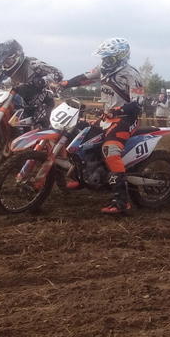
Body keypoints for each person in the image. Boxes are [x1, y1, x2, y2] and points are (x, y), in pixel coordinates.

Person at [60, 37, 143, 215]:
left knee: (110, 150)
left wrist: (118, 110)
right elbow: (84, 78)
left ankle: (122, 201)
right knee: (82, 142)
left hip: (127, 119)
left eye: (108, 58)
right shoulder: (103, 69)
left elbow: (137, 105)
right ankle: (84, 179)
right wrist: (65, 84)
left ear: (120, 57)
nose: (105, 61)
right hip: (107, 117)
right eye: (104, 57)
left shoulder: (131, 74)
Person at [0, 40, 62, 127]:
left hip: (44, 102)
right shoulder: (15, 71)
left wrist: (43, 80)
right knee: (14, 126)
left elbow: (58, 74)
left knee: (39, 127)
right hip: (26, 105)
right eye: (4, 63)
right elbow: (12, 81)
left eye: (7, 61)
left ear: (16, 56)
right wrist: (1, 85)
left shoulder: (34, 64)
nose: (6, 65)